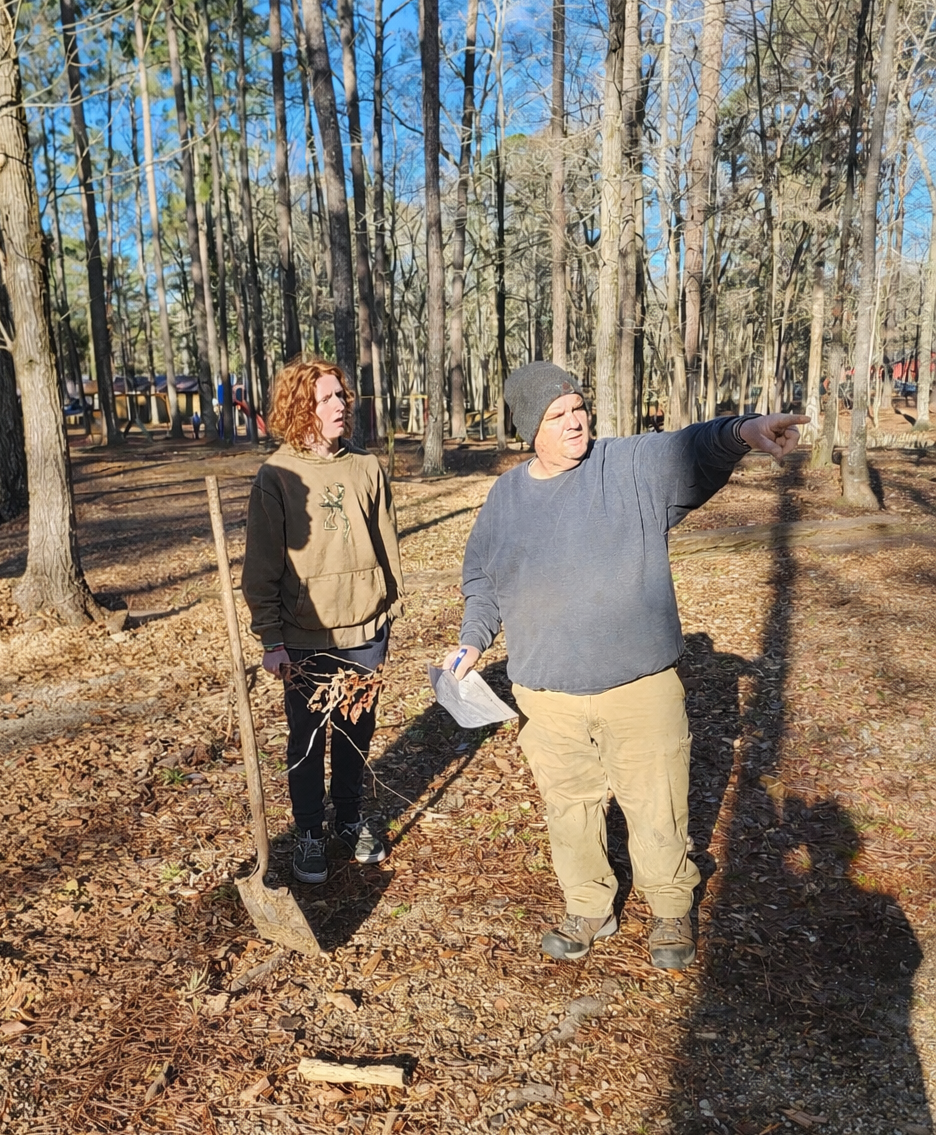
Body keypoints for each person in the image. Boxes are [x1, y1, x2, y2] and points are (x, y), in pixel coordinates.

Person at [443, 361, 804, 971]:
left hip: (639, 686)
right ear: (528, 428)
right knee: (569, 806)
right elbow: (484, 580)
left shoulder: (629, 466)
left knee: (656, 800)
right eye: (557, 416)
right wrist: (472, 641)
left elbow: (691, 446)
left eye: (578, 407)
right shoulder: (506, 496)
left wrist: (744, 432)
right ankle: (588, 904)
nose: (575, 421)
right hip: (546, 692)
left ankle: (669, 905)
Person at [241, 358, 404, 885]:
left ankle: (349, 819)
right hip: (305, 635)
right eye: (326, 398)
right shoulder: (277, 476)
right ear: (299, 407)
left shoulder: (366, 467)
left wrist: (389, 609)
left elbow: (388, 545)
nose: (340, 405)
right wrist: (271, 637)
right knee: (308, 740)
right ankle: (310, 831)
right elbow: (261, 566)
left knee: (357, 733)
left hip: (364, 631)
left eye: (342, 396)